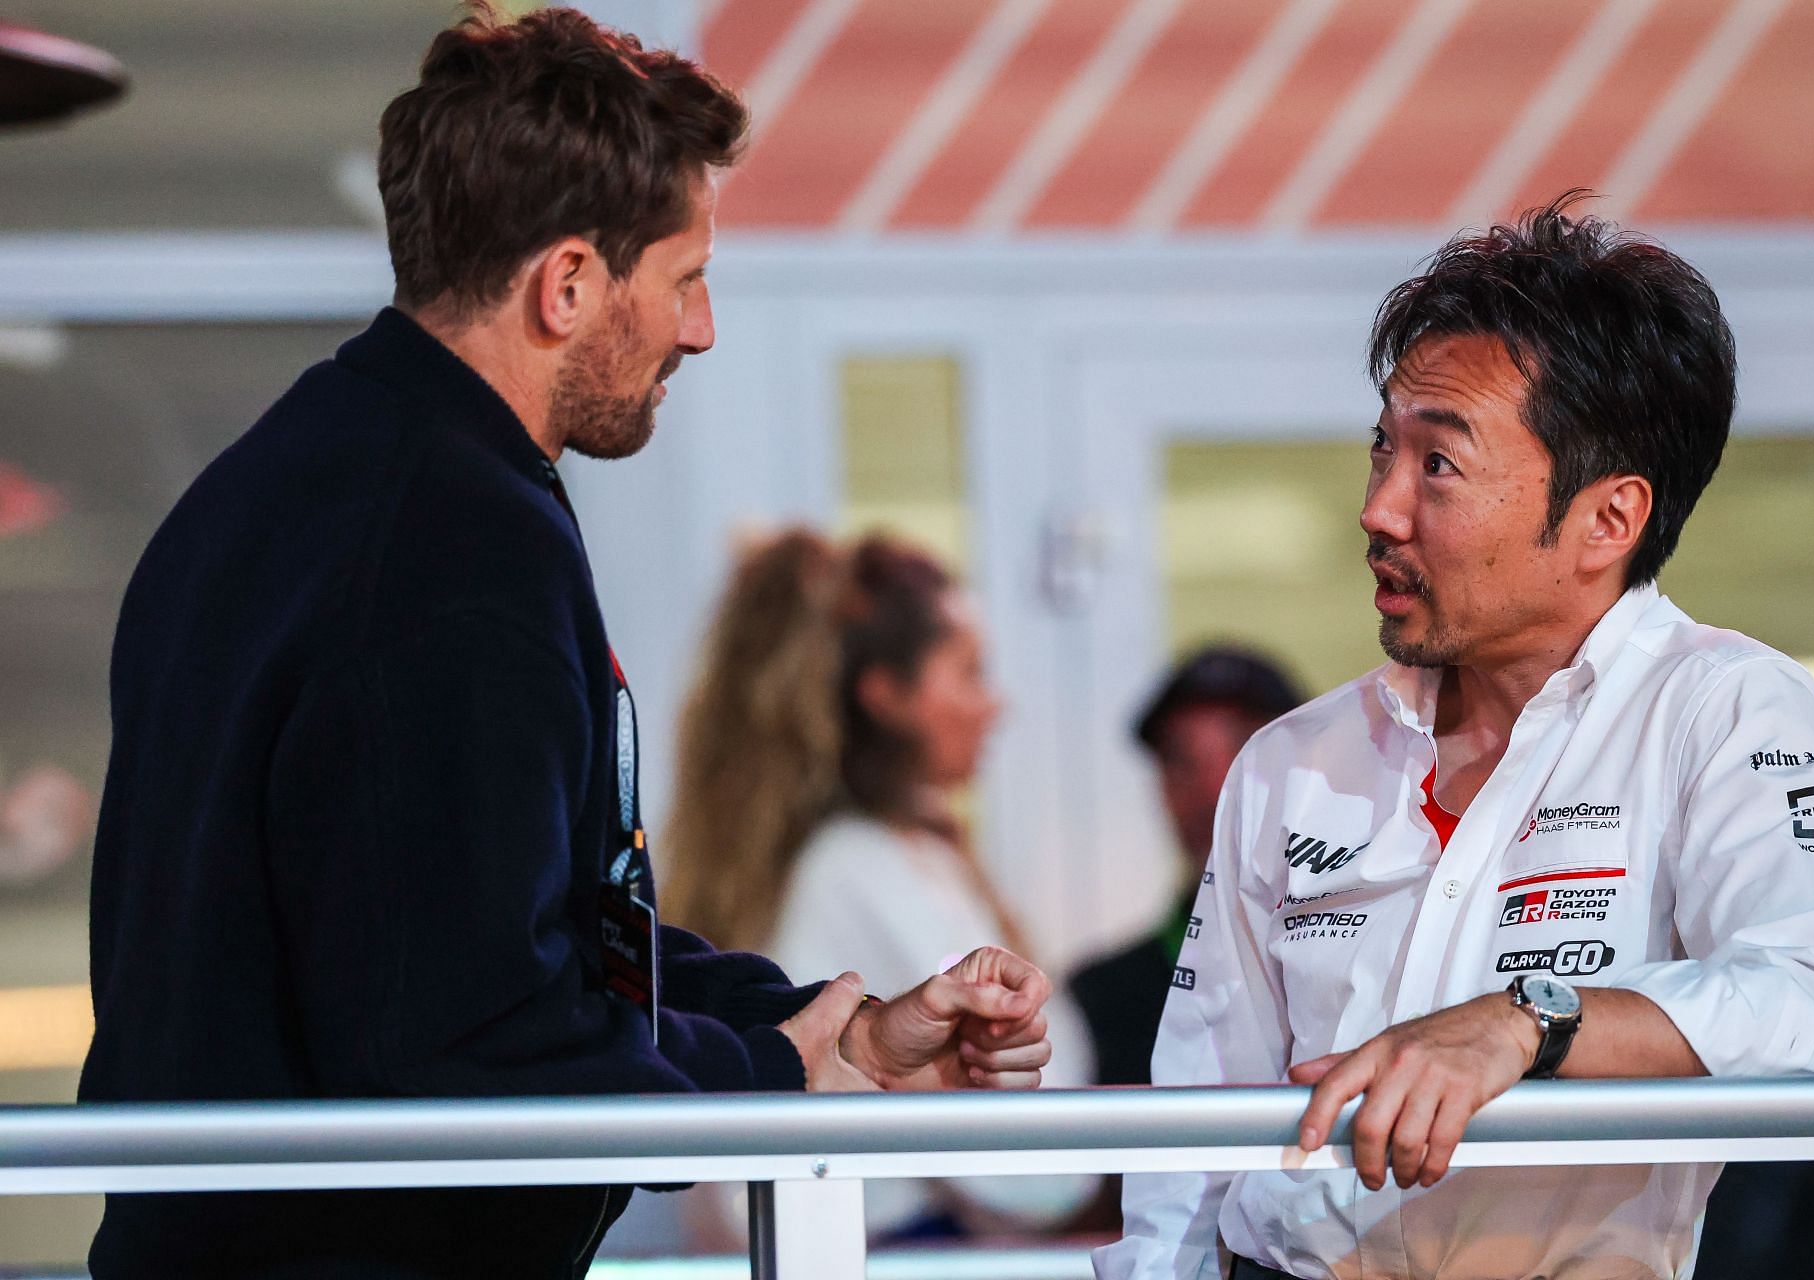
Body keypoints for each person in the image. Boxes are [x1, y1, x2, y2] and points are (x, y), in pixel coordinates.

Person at [78, 9, 1054, 1279]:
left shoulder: (280, 485)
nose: (700, 330)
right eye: (687, 278)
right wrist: (774, 1067)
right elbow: (474, 1041)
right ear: (572, 283)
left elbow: (510, 933)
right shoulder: (449, 545)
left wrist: (825, 1027)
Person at [1093, 192, 1814, 1280]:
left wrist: (1530, 1021)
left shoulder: (1728, 707)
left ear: (1609, 519)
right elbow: (1191, 1141)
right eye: (1384, 450)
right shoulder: (1290, 761)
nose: (1380, 507)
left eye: (1439, 465)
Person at [662, 527, 1098, 1240]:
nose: (997, 705)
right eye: (970, 672)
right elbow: (1020, 1168)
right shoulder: (852, 870)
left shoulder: (896, 856)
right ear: (888, 695)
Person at [1071, 644, 1305, 1088]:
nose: (1212, 789)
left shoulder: (1375, 960)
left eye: (1246, 752)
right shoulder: (1099, 997)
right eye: (1180, 760)